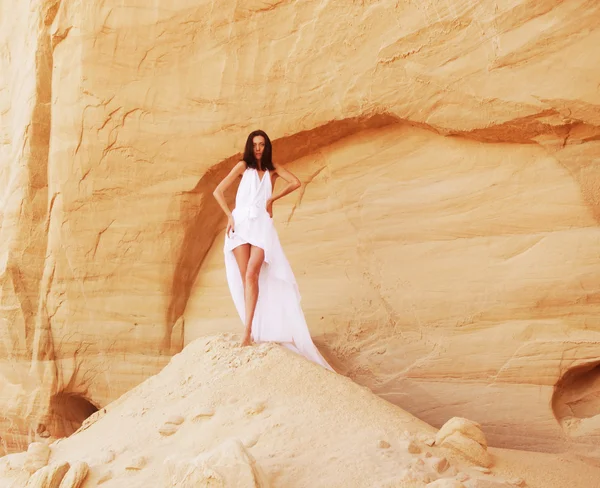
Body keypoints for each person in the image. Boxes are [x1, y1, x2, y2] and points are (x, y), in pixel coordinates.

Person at [212, 130, 333, 371]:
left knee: (252, 275)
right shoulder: (242, 167)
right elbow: (218, 191)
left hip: (261, 226)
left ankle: (247, 333)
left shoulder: (272, 169)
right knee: (245, 276)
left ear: (267, 147)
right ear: (250, 146)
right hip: (240, 226)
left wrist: (271, 200)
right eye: (255, 145)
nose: (258, 149)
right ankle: (255, 327)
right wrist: (230, 216)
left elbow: (296, 182)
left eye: (262, 145)